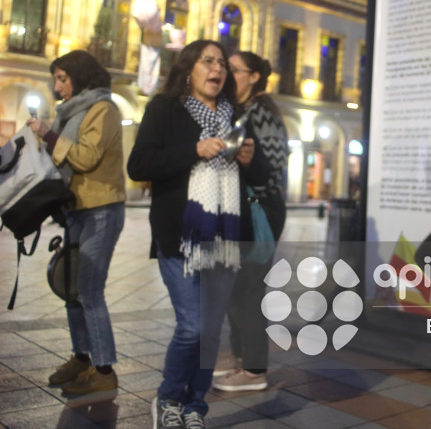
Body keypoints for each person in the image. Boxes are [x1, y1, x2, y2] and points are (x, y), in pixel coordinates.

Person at [127, 40, 268, 429]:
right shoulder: (164, 109)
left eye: (221, 62)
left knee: (210, 330)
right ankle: (169, 398)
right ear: (188, 68)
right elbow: (138, 165)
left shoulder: (236, 115)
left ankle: (194, 408)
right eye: (207, 61)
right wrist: (195, 149)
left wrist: (249, 160)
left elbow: (259, 176)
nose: (217, 68)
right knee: (192, 326)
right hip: (180, 234)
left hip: (226, 236)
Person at [26, 50, 126, 395]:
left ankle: (104, 369)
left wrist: (49, 135)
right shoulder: (69, 113)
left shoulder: (104, 110)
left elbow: (85, 157)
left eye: (63, 79)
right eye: (55, 79)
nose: (57, 87)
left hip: (101, 208)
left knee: (89, 290)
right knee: (72, 290)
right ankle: (81, 358)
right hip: (75, 208)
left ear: (80, 77)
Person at [212, 51, 288, 392]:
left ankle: (255, 369)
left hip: (261, 210)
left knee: (249, 290)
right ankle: (242, 359)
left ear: (254, 76)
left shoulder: (263, 114)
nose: (227, 74)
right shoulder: (240, 110)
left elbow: (272, 173)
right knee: (236, 289)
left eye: (234, 69)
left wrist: (246, 165)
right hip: (244, 207)